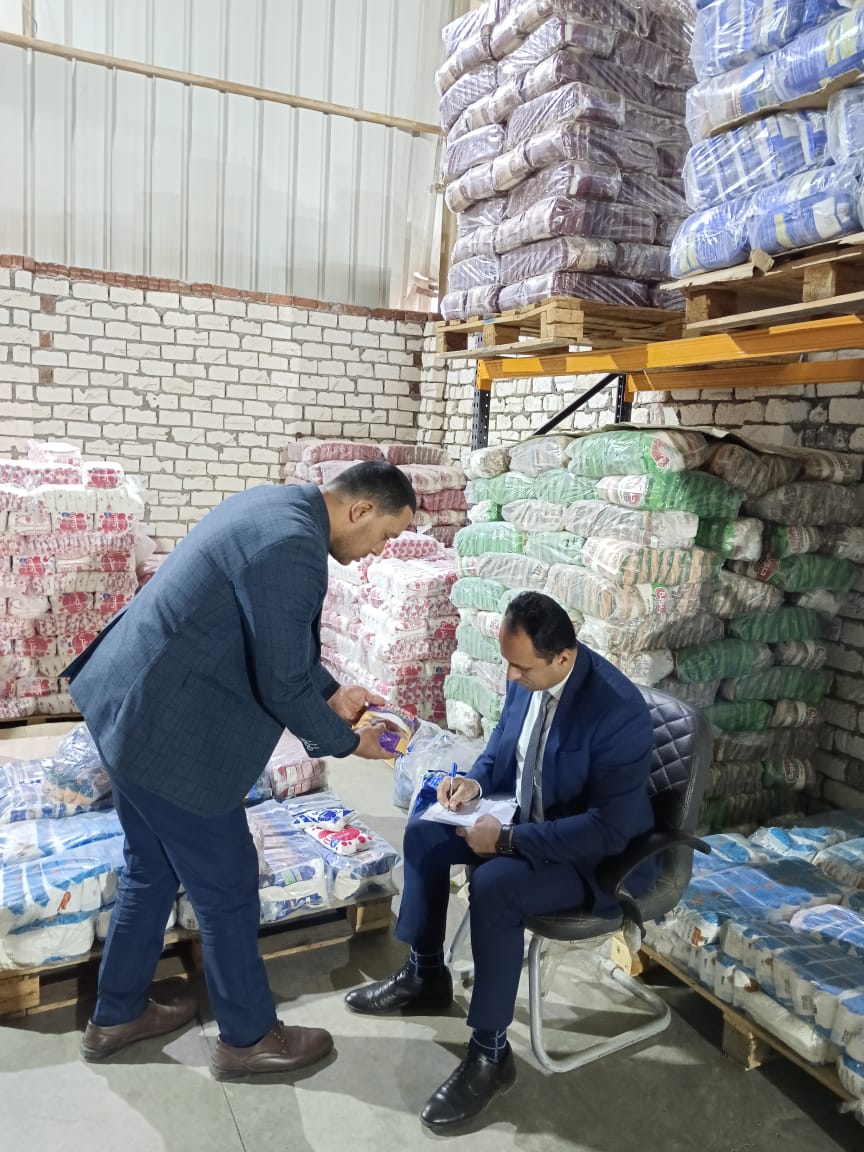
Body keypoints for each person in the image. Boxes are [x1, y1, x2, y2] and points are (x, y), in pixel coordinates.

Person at [65, 461, 416, 1081]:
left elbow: (272, 642)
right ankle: (248, 1039)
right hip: (168, 738)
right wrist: (346, 741)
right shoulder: (293, 547)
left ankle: (117, 1014)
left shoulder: (278, 508)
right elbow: (280, 679)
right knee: (227, 887)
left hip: (129, 710)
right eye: (386, 534)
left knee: (150, 867)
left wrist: (333, 694)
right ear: (361, 509)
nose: (379, 551)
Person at [344, 591, 657, 1130]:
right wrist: (473, 782)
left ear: (563, 658)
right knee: (424, 832)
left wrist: (508, 840)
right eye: (507, 663)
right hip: (525, 821)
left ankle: (491, 1054)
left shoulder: (616, 712)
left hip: (591, 857)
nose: (510, 676)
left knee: (496, 888)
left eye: (521, 667)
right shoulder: (527, 678)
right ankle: (425, 974)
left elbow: (609, 830)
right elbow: (500, 749)